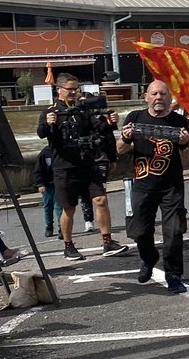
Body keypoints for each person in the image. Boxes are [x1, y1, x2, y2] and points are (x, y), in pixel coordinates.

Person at [37, 73, 128, 261]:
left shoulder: (83, 109)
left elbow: (99, 128)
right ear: (59, 90)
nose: (73, 93)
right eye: (69, 89)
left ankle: (107, 241)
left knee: (101, 200)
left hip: (88, 163)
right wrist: (48, 124)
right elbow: (41, 133)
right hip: (65, 167)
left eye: (75, 89)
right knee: (69, 208)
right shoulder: (50, 111)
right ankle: (68, 246)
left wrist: (110, 123)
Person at [117, 80, 189, 293]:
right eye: (154, 93)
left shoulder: (178, 121)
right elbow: (120, 150)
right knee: (138, 231)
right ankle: (148, 258)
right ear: (146, 97)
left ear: (170, 98)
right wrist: (125, 137)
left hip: (172, 186)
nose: (159, 97)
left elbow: (188, 159)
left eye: (163, 94)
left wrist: (185, 143)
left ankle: (174, 275)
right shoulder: (135, 118)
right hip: (142, 184)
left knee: (174, 231)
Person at [32, 146, 61, 238]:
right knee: (48, 207)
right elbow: (38, 170)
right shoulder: (44, 153)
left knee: (59, 207)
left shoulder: (61, 151)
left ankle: (62, 228)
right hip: (47, 185)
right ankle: (49, 227)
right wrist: (40, 184)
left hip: (59, 184)